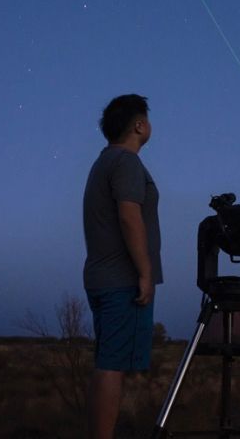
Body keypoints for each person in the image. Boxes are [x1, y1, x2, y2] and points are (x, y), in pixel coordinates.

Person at [82, 94, 163, 439]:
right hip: (121, 281)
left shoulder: (103, 162)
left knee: (107, 363)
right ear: (139, 125)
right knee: (112, 367)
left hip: (102, 277)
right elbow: (130, 217)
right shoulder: (126, 163)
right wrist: (145, 273)